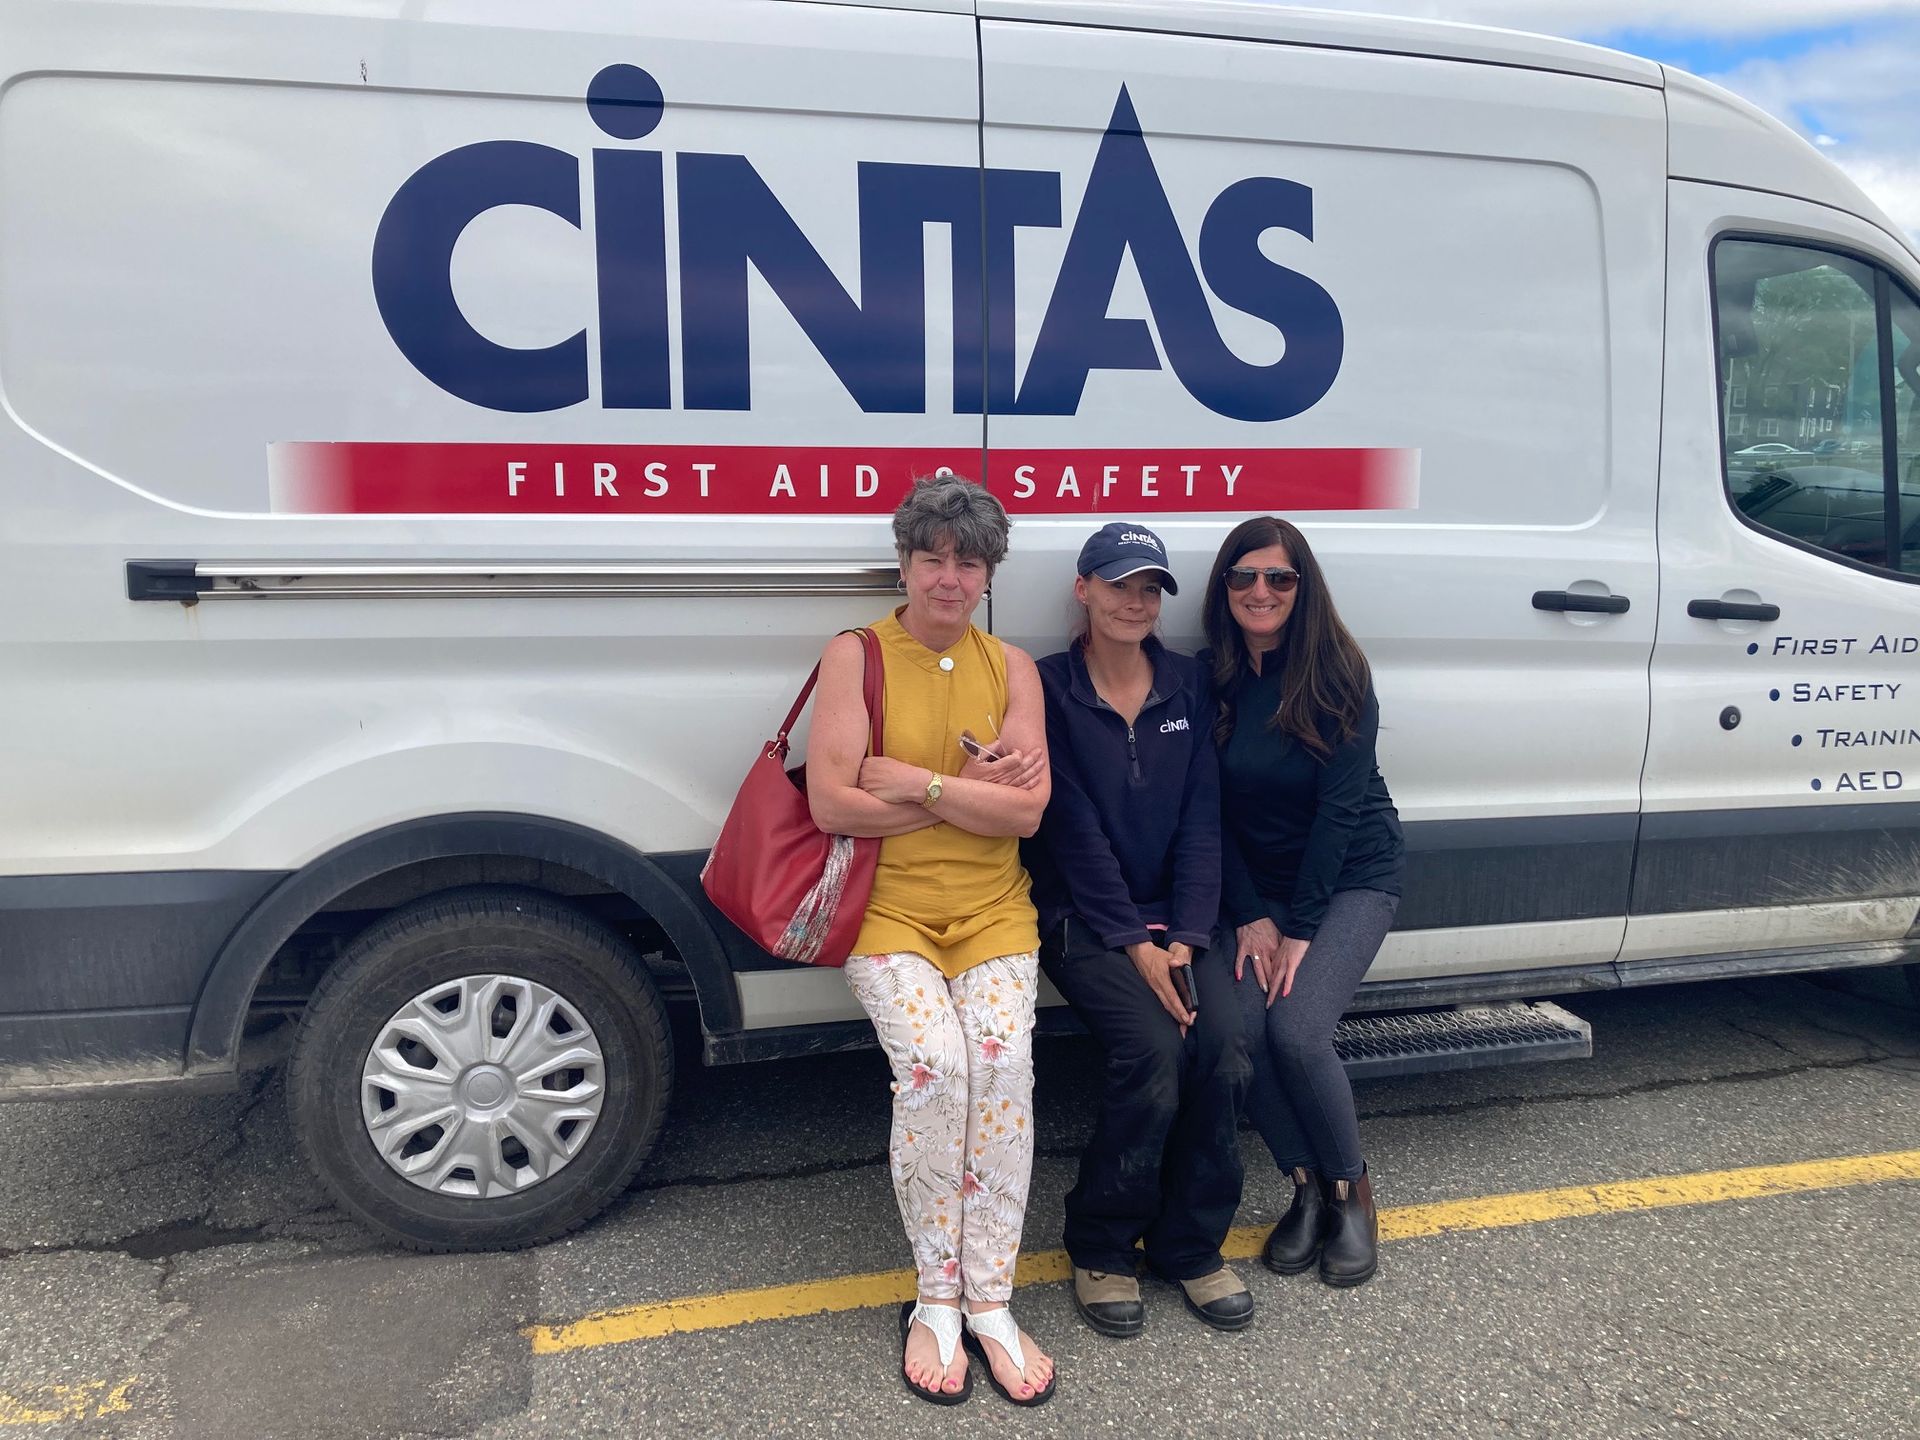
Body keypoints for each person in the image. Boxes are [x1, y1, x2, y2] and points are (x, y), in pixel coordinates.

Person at [806, 474, 1058, 1407]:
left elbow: (1027, 814)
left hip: (996, 915)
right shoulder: (857, 654)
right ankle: (935, 1297)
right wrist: (966, 797)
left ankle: (991, 1298)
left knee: (1001, 1071)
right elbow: (833, 801)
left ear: (987, 572)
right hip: (887, 914)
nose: (949, 578)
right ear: (905, 562)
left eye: (968, 561)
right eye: (932, 557)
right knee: (937, 1071)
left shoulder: (1013, 668)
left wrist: (917, 783)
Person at [1026, 523, 1255, 1337]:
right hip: (1086, 917)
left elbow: (1203, 819)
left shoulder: (1187, 683)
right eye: (1119, 584)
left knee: (1225, 1048)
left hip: (1186, 918)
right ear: (1083, 590)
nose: (1136, 602)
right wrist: (1136, 944)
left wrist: (1190, 937)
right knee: (1153, 1049)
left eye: (1151, 588)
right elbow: (1071, 830)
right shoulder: (1048, 686)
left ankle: (1191, 1245)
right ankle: (1102, 1244)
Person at [1200, 515, 1405, 1288]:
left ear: (1302, 587)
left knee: (1298, 1028)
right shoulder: (1211, 677)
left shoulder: (1339, 674)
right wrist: (1253, 914)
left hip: (1350, 875)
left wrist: (1303, 929)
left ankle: (1352, 1192)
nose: (1262, 591)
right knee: (1243, 1030)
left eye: (1280, 578)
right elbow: (1209, 814)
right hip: (1255, 892)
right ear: (1225, 588)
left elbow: (1339, 814)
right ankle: (1305, 1189)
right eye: (1245, 576)